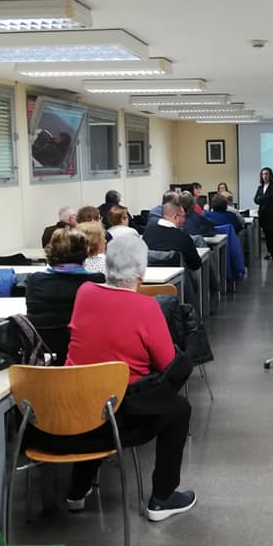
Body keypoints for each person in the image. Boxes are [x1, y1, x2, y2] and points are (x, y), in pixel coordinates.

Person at [42, 236, 196, 521]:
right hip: (116, 419)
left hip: (71, 413)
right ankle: (162, 498)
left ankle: (77, 492)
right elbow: (167, 365)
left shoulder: (85, 293)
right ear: (142, 273)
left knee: (94, 388)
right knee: (178, 410)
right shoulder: (147, 308)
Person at [25, 228, 105, 362]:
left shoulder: (34, 281)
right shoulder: (96, 281)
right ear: (86, 252)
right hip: (85, 359)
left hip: (44, 355)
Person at [143, 200, 202, 270]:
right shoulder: (183, 238)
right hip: (178, 276)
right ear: (175, 217)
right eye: (183, 216)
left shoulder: (149, 229)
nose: (184, 220)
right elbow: (196, 265)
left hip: (149, 274)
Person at [254, 167, 273, 260]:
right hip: (263, 214)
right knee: (267, 234)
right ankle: (270, 252)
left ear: (270, 175)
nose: (264, 176)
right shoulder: (260, 187)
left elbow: (272, 197)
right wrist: (263, 198)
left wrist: (261, 198)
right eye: (263, 174)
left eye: (266, 174)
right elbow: (255, 200)